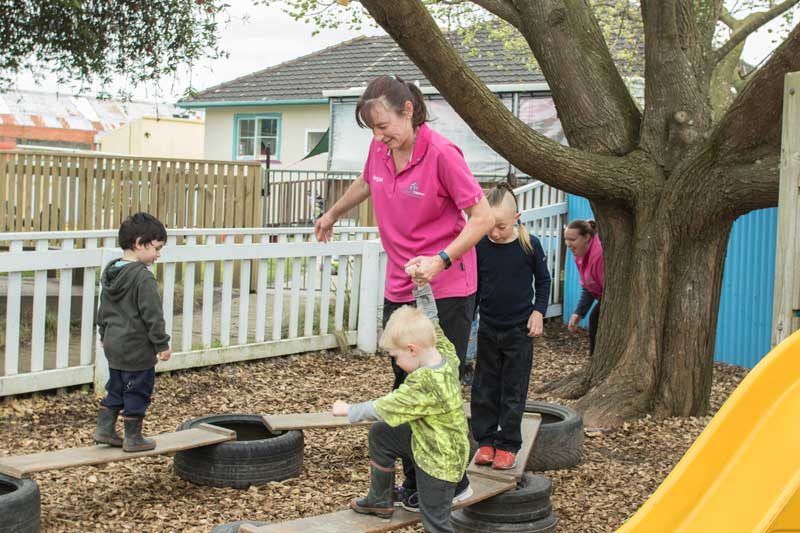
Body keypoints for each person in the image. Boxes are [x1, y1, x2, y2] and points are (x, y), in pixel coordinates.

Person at [314, 75, 492, 501]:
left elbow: (483, 218)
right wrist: (333, 213)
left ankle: (454, 483)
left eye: (384, 126)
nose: (379, 137)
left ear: (408, 110)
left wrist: (440, 260)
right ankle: (416, 482)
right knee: (404, 387)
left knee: (436, 388)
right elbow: (365, 181)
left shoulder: (443, 154)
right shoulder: (382, 148)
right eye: (373, 130)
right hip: (400, 282)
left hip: (445, 286)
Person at [332, 286, 471, 533]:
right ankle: (380, 499)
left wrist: (349, 410)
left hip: (440, 461)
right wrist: (422, 290)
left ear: (411, 349)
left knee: (435, 523)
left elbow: (387, 406)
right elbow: (433, 322)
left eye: (395, 356)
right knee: (382, 433)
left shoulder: (424, 383)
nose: (395, 361)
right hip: (433, 440)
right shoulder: (445, 355)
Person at [471, 182, 552, 470]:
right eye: (490, 226)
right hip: (489, 327)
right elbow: (477, 286)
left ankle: (508, 444)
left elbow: (543, 282)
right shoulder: (481, 246)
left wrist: (538, 312)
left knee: (513, 388)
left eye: (501, 227)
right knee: (484, 387)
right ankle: (485, 441)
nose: (495, 232)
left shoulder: (529, 245)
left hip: (518, 330)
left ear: (516, 219)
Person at [94, 212, 171, 453]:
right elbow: (153, 316)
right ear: (139, 243)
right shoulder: (142, 278)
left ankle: (105, 430)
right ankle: (133, 438)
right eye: (156, 248)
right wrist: (162, 344)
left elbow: (103, 310)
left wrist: (103, 335)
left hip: (114, 345)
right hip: (136, 348)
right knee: (137, 390)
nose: (158, 254)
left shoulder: (111, 273)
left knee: (116, 386)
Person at [564, 219, 604, 355]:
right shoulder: (579, 254)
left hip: (615, 297)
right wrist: (578, 313)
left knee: (596, 319)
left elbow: (612, 292)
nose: (568, 244)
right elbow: (588, 286)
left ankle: (595, 359)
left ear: (587, 237)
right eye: (566, 239)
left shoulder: (599, 255)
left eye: (573, 239)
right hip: (602, 296)